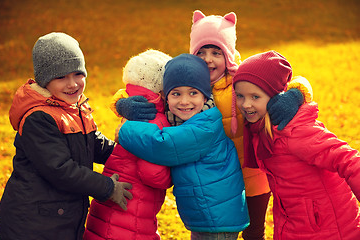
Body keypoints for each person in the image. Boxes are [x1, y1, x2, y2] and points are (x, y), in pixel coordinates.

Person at [114, 10, 311, 240]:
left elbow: (289, 79)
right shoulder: (187, 85)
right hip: (213, 180)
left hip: (251, 173)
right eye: (201, 52)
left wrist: (297, 94)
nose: (208, 59)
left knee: (253, 231)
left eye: (216, 52)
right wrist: (121, 103)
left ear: (227, 54)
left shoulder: (241, 80)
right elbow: (150, 89)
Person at [0, 32, 133, 240]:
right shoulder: (38, 117)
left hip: (59, 217)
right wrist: (107, 187)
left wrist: (127, 152)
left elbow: (93, 143)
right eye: (61, 77)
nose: (72, 84)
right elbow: (60, 169)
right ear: (44, 81)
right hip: (33, 223)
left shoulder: (72, 107)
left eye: (78, 74)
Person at [116, 54, 250, 240]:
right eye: (176, 94)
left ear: (205, 96)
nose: (184, 101)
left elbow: (163, 144)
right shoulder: (187, 120)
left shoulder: (204, 127)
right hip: (209, 216)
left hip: (217, 220)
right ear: (166, 97)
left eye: (193, 93)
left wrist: (125, 130)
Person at [233, 50, 360, 240]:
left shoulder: (296, 131)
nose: (246, 104)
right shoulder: (260, 129)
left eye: (255, 97)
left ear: (276, 96)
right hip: (292, 224)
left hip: (329, 228)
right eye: (240, 96)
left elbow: (349, 160)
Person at [83, 49, 173, 240]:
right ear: (162, 90)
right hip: (131, 207)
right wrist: (173, 174)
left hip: (107, 207)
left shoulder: (133, 110)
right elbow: (152, 172)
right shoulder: (157, 121)